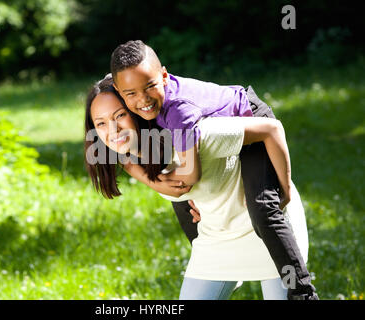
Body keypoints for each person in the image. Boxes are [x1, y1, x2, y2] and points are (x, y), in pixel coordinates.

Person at [109, 40, 318, 300]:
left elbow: (190, 177)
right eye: (130, 93)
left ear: (164, 75)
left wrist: (284, 186)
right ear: (119, 90)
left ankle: (302, 291)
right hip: (226, 135)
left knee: (264, 207)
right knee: (185, 208)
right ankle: (220, 266)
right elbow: (104, 99)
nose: (142, 99)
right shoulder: (128, 90)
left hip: (252, 123)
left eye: (150, 86)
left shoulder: (179, 112)